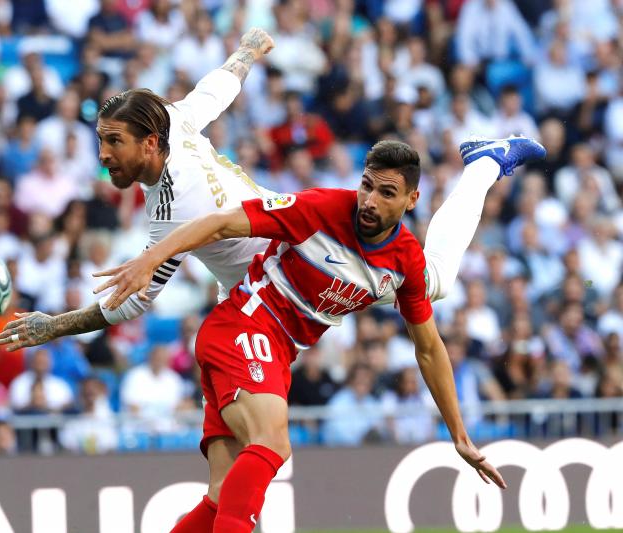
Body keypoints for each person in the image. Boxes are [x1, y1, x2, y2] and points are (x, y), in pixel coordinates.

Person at [0, 26, 540, 357]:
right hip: (265, 267)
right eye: (101, 141)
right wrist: (247, 51)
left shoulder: (169, 211)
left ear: (148, 142)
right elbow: (216, 89)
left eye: (113, 141)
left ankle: (486, 163)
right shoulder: (177, 122)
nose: (103, 154)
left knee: (434, 281)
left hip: (289, 272)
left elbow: (129, 305)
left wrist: (55, 326)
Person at [92, 138, 545, 532]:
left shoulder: (403, 258)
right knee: (272, 443)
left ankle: (485, 162)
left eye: (386, 193)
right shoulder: (321, 208)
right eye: (367, 185)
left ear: (410, 201)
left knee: (221, 496)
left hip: (271, 349)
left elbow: (428, 348)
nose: (369, 200)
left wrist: (459, 434)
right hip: (244, 327)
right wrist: (150, 259)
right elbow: (221, 222)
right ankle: (485, 162)